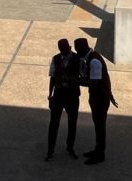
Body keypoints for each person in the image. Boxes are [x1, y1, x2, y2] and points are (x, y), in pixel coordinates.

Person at [74, 37, 118, 165]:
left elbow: (93, 83)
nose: (77, 54)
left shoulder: (94, 62)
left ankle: (100, 154)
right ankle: (98, 149)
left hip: (100, 98)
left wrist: (75, 80)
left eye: (78, 51)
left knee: (100, 125)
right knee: (98, 124)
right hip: (97, 97)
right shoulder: (91, 57)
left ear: (81, 49)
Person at [45, 38, 80, 161]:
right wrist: (50, 95)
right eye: (61, 49)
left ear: (69, 47)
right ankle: (50, 149)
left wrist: (74, 81)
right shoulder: (56, 59)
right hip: (59, 95)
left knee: (72, 122)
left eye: (65, 48)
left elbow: (83, 75)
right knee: (53, 123)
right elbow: (52, 78)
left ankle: (70, 147)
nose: (63, 51)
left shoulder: (78, 59)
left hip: (72, 95)